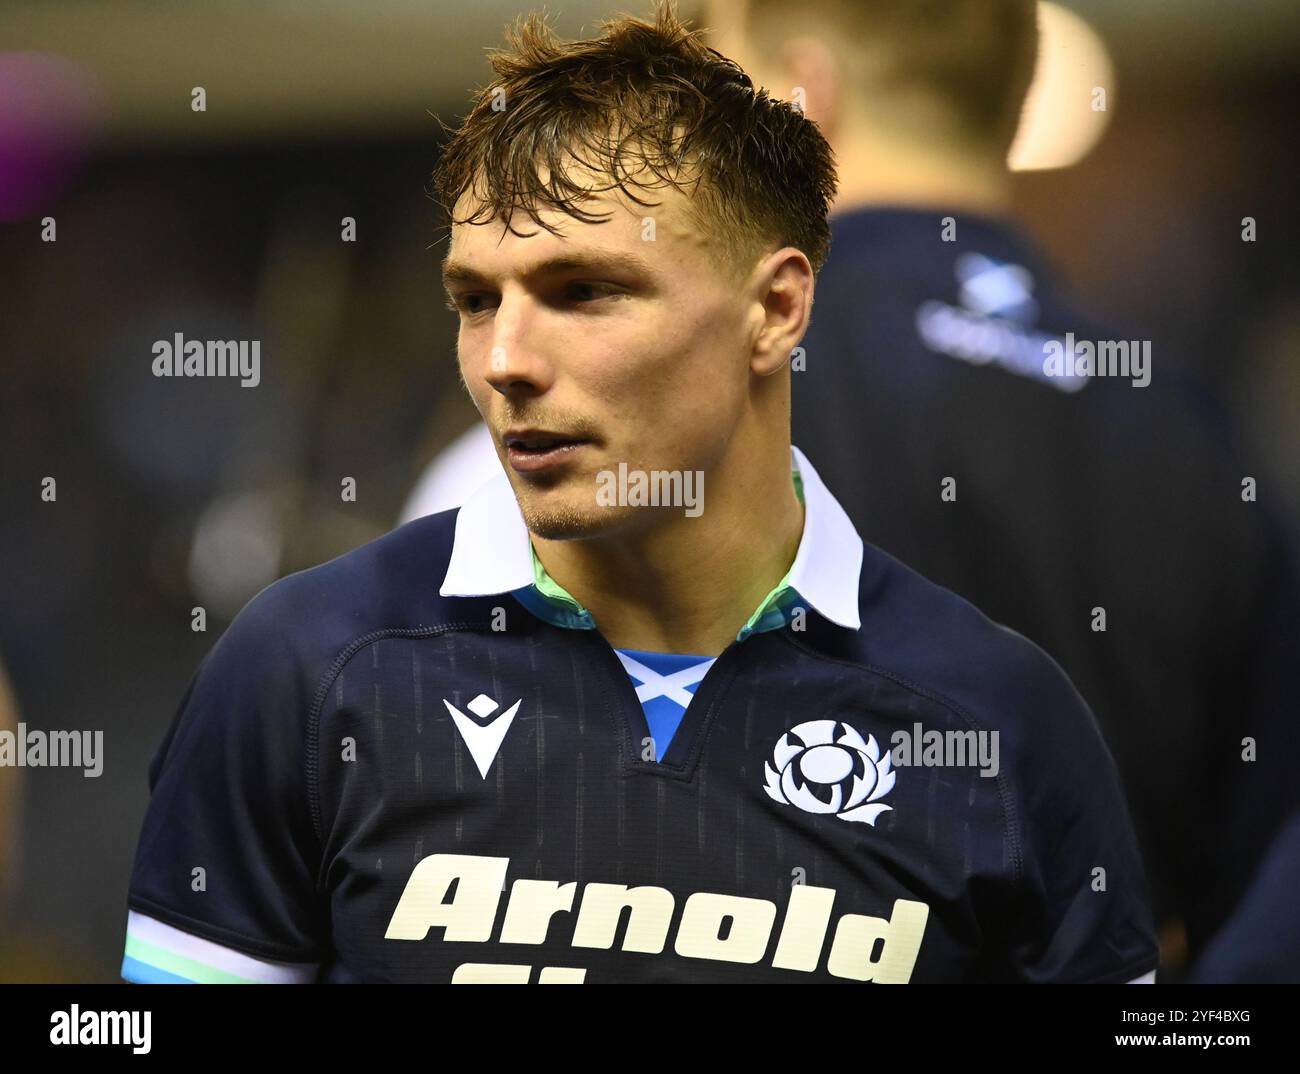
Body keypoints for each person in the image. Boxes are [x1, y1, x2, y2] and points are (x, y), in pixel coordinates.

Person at [120, 3, 1156, 983]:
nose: (505, 360)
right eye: (474, 299)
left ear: (777, 309)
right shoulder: (303, 673)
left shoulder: (998, 722)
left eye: (584, 292)